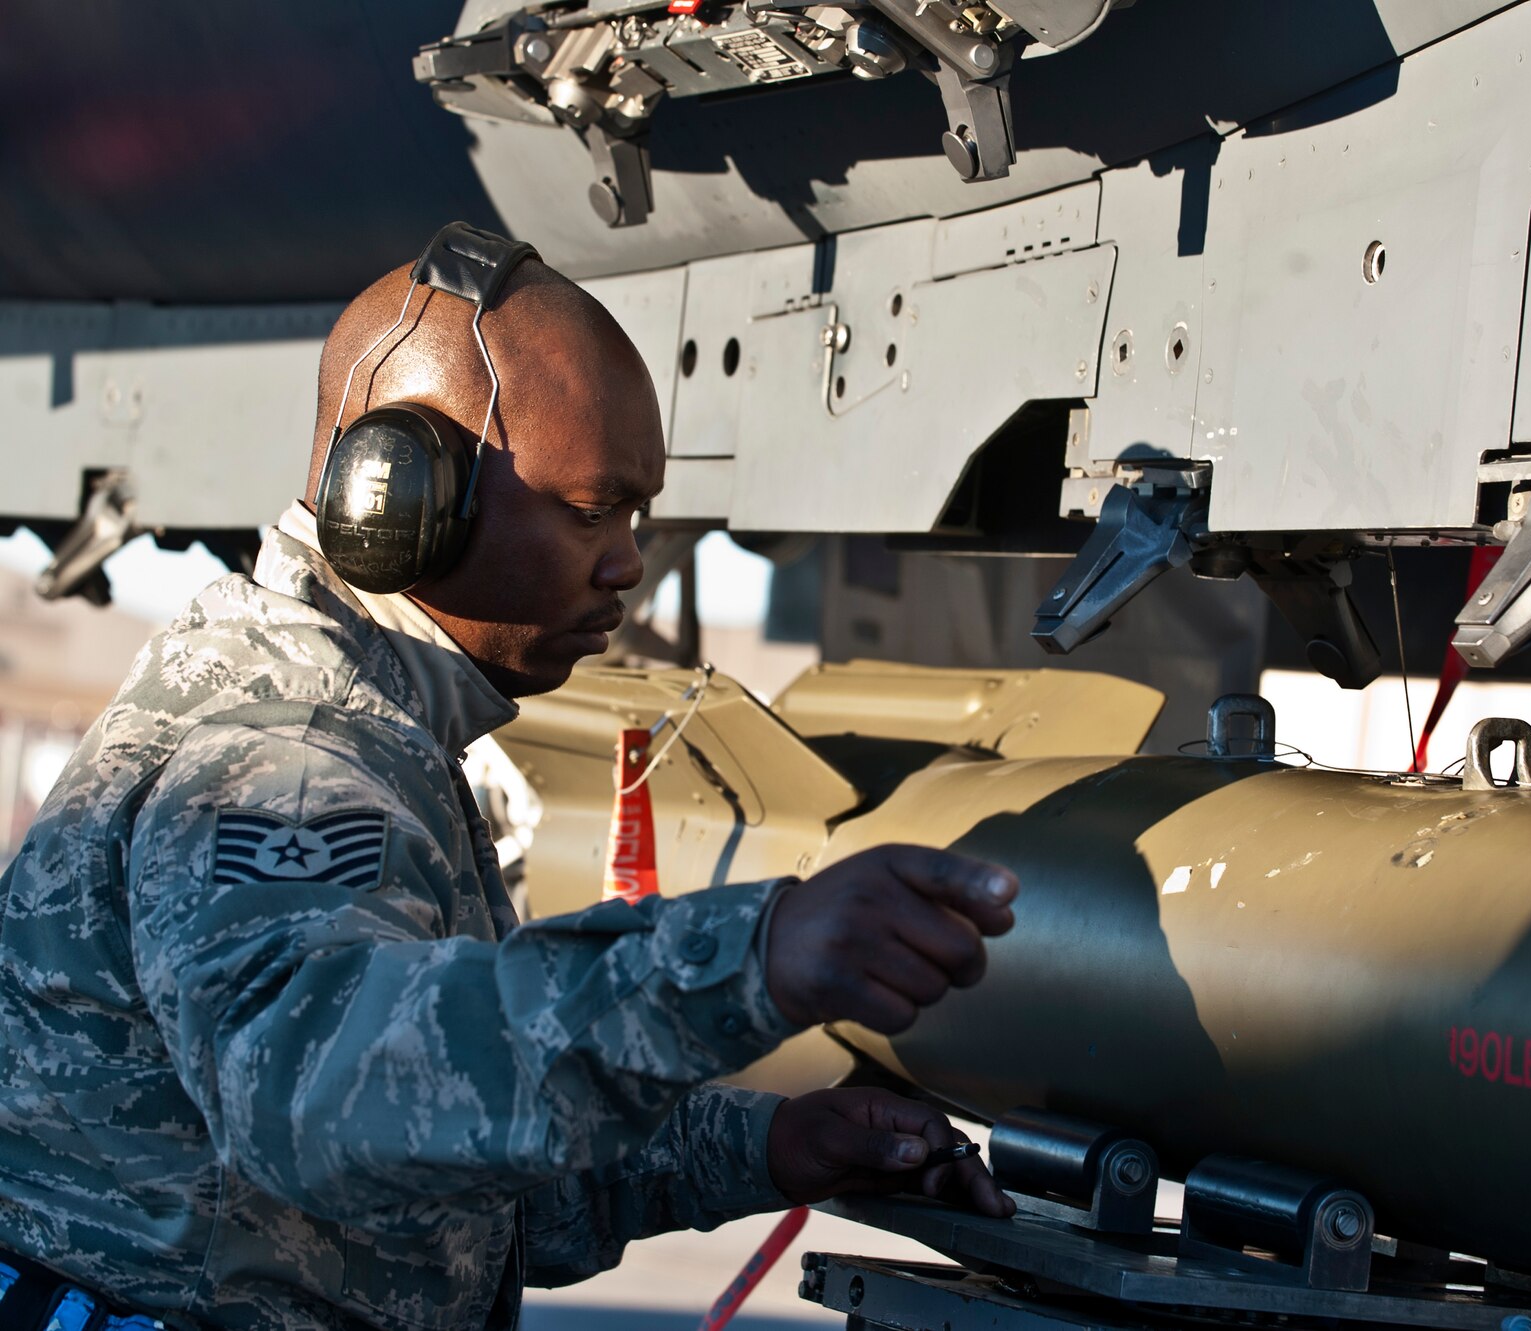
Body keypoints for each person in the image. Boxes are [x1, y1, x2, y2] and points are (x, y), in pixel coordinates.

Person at [0, 227, 1018, 1331]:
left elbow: (448, 1180)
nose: (629, 560)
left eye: (636, 516)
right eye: (590, 510)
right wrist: (746, 957)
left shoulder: (380, 731)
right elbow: (321, 1104)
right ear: (400, 500)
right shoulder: (282, 760)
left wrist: (774, 1143)